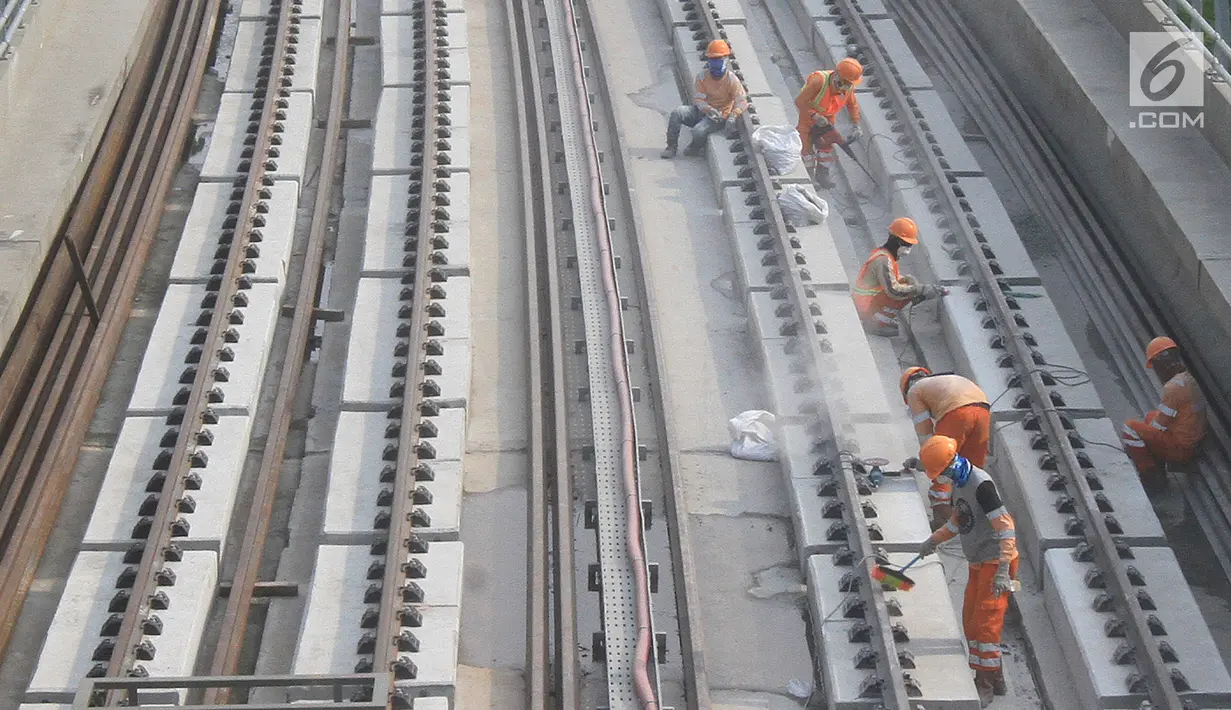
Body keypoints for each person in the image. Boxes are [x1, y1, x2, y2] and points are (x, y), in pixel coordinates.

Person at [916, 435, 1018, 707]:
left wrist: (1003, 571)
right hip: (978, 562)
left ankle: (984, 683)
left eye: (941, 474)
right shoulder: (960, 484)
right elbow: (958, 521)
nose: (941, 479)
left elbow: (1006, 528)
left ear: (950, 466)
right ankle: (995, 677)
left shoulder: (981, 485)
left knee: (985, 626)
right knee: (970, 621)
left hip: (996, 564)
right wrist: (934, 540)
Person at [900, 367, 991, 530]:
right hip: (983, 410)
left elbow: (927, 439)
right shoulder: (942, 381)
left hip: (955, 412)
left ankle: (941, 522)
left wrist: (927, 462)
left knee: (942, 466)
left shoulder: (914, 391)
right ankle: (977, 520)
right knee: (971, 470)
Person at [1119, 336, 1207, 486]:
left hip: (1182, 449)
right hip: (1193, 441)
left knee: (1130, 428)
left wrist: (1138, 448)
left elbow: (1158, 427)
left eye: (1155, 366)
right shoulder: (1188, 379)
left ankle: (1151, 476)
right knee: (1149, 417)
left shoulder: (1173, 388)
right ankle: (1155, 463)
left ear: (1162, 365)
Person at [851, 217, 945, 336]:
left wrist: (906, 280)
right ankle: (875, 324)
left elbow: (889, 277)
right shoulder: (883, 260)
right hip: (864, 306)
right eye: (908, 245)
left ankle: (877, 319)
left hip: (862, 301)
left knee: (907, 287)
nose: (909, 249)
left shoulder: (884, 254)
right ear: (899, 242)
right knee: (903, 292)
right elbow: (893, 290)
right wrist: (919, 289)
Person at [662, 39, 749, 159]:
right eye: (713, 59)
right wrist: (707, 109)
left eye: (719, 59)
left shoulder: (731, 80)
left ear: (725, 59)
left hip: (718, 117)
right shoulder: (702, 77)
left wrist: (733, 115)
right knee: (677, 112)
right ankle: (671, 147)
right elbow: (699, 99)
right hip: (703, 112)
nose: (716, 62)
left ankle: (695, 147)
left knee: (698, 131)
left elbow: (742, 101)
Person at [794, 57, 864, 189]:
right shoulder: (819, 81)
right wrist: (815, 115)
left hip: (828, 119)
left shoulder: (847, 88)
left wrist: (856, 125)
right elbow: (799, 101)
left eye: (850, 84)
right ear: (838, 76)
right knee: (806, 147)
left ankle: (822, 174)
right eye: (847, 83)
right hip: (808, 117)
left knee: (826, 147)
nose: (848, 87)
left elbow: (852, 105)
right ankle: (810, 177)